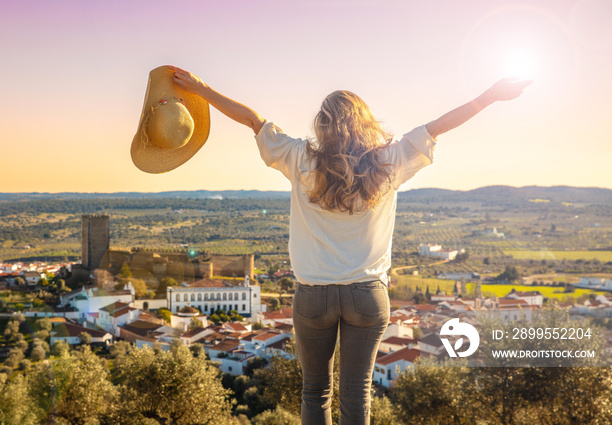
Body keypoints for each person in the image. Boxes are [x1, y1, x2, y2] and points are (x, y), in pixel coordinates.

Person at [169, 64, 530, 424]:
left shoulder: (299, 158)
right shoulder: (390, 160)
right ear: (364, 123)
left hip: (313, 295)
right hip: (367, 295)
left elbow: (253, 121)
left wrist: (201, 89)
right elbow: (438, 127)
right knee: (357, 394)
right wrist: (490, 96)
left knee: (314, 390)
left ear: (322, 125)